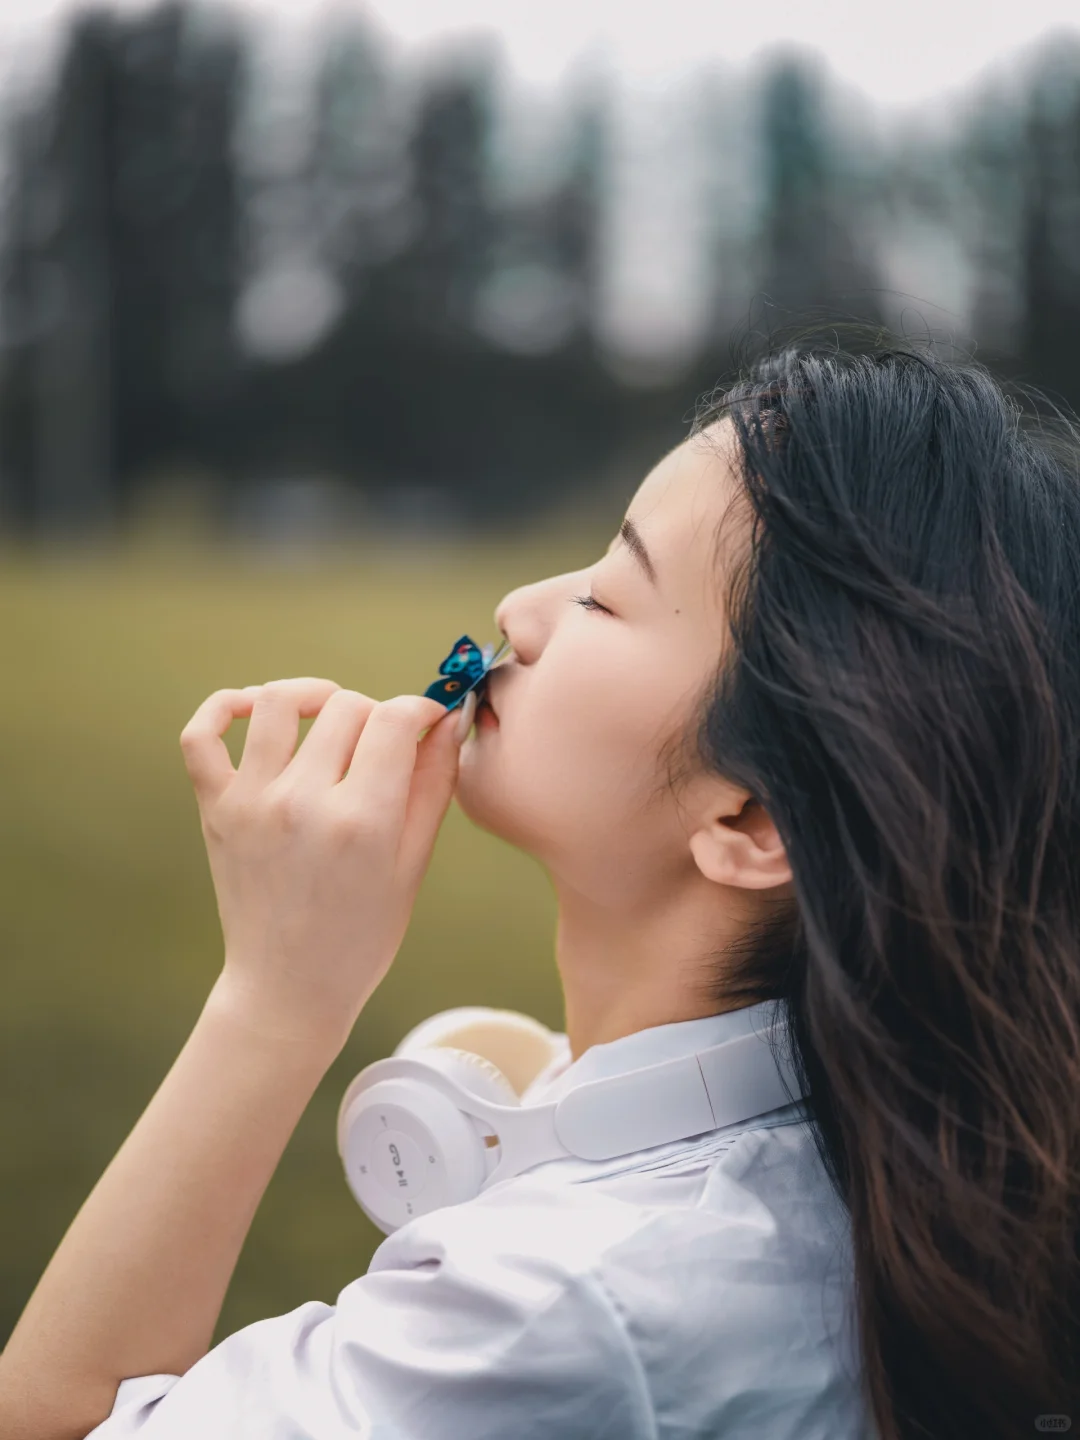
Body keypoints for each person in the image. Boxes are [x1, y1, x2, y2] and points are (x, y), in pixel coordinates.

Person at [1, 335, 1077, 1440]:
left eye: (609, 597)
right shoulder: (877, 1168)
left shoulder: (551, 1311)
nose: (519, 610)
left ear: (750, 819)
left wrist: (275, 1002)